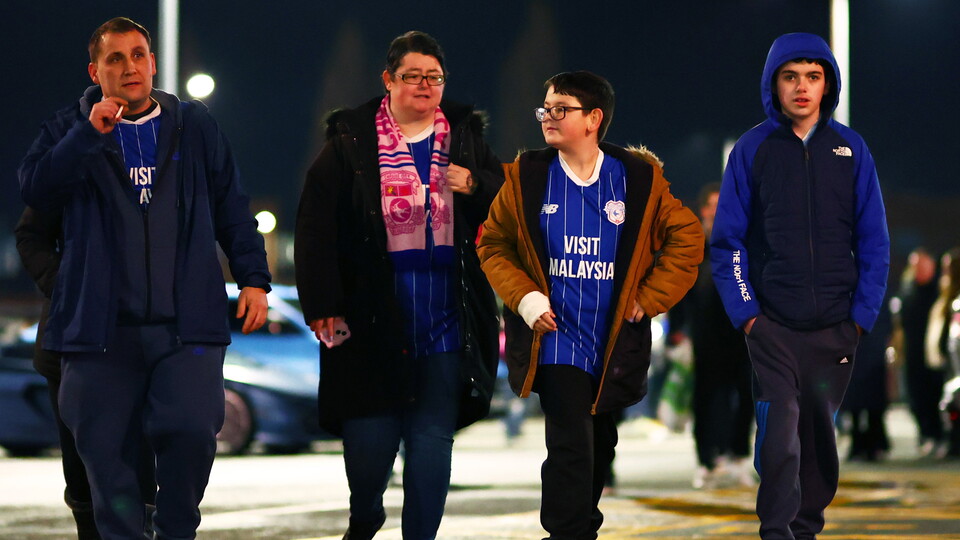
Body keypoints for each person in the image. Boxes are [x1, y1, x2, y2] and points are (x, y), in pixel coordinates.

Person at [18, 17, 271, 540]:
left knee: (192, 431)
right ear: (96, 70)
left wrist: (254, 279)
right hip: (97, 334)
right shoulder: (69, 128)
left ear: (153, 64)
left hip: (186, 327)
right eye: (115, 58)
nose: (129, 67)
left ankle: (176, 530)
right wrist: (88, 135)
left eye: (138, 55)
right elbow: (37, 192)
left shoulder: (194, 125)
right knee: (105, 460)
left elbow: (232, 206)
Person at [294, 31, 502, 540]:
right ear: (388, 81)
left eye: (434, 77)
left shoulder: (465, 136)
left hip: (445, 316)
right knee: (369, 450)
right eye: (413, 76)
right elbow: (315, 228)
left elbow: (504, 206)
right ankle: (365, 517)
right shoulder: (349, 141)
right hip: (371, 319)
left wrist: (474, 185)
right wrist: (323, 304)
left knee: (432, 442)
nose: (425, 86)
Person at [478, 70, 703, 540]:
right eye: (546, 108)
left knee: (600, 446)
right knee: (570, 445)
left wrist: (649, 298)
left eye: (562, 109)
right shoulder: (526, 178)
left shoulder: (637, 178)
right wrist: (524, 298)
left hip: (613, 341)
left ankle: (583, 527)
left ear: (594, 118)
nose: (549, 117)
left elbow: (687, 237)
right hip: (557, 338)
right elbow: (493, 245)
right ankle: (566, 532)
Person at [710, 33, 889, 539]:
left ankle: (806, 530)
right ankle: (776, 532)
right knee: (779, 438)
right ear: (774, 84)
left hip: (836, 328)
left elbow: (874, 241)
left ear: (827, 83)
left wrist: (860, 317)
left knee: (817, 442)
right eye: (791, 77)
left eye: (813, 76)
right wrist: (747, 314)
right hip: (773, 329)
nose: (802, 87)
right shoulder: (752, 149)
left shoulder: (852, 149)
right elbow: (727, 244)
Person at [15, 206, 158, 539]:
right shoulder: (71, 159)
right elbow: (30, 234)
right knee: (81, 469)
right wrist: (64, 285)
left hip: (141, 340)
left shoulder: (162, 162)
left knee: (139, 461)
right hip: (71, 341)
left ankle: (141, 526)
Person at [670, 182, 755, 489]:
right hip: (705, 337)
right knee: (706, 400)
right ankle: (706, 460)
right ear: (704, 210)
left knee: (745, 397)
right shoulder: (694, 247)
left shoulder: (740, 245)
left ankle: (739, 456)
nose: (718, 211)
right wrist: (677, 331)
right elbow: (679, 291)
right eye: (713, 205)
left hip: (740, 335)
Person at [893, 248, 943, 457]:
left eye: (922, 265)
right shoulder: (907, 289)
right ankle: (925, 435)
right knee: (915, 398)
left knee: (934, 396)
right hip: (913, 354)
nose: (918, 270)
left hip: (933, 355)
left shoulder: (939, 291)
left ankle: (938, 436)